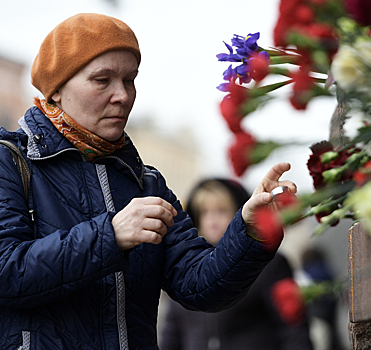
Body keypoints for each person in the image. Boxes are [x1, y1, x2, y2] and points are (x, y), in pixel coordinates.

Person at [0, 13, 298, 350]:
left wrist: (248, 232)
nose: (122, 95)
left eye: (130, 79)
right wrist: (109, 235)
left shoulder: (147, 182)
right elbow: (6, 272)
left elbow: (200, 286)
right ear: (56, 90)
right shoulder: (9, 161)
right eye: (102, 80)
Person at [159, 178, 313, 350]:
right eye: (204, 212)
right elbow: (171, 336)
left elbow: (293, 330)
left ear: (238, 212)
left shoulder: (269, 264)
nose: (212, 219)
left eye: (221, 210)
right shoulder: (183, 268)